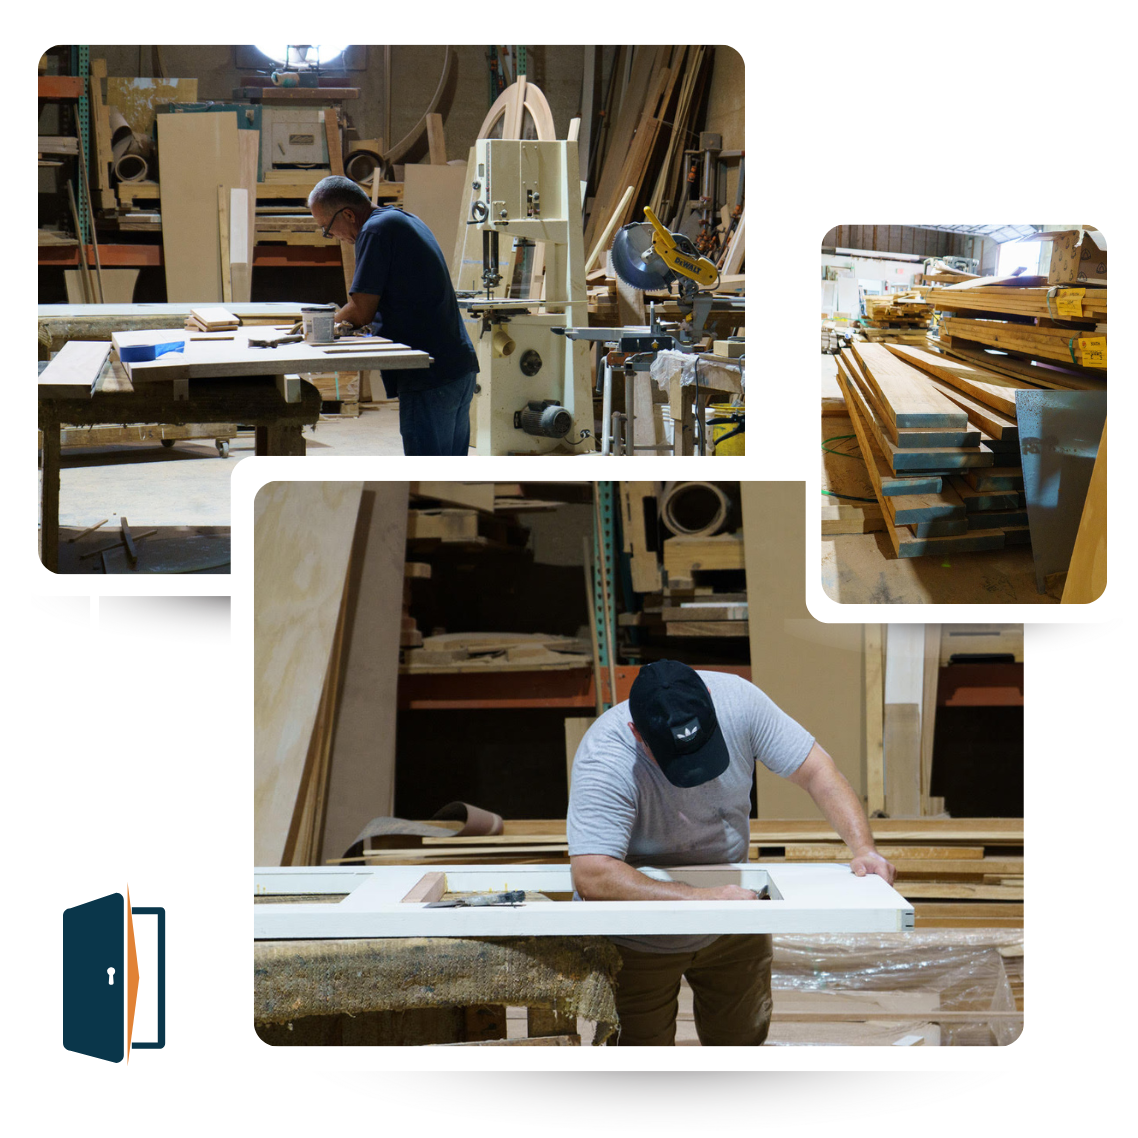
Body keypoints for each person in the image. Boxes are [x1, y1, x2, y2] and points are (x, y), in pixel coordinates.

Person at [566, 659, 896, 1046]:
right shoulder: (606, 757)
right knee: (642, 1063)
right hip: (640, 937)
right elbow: (592, 874)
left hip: (734, 921)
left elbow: (817, 771)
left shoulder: (737, 700)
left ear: (709, 699)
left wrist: (864, 849)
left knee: (741, 1048)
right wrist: (702, 898)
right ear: (638, 733)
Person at [307, 175, 479, 456]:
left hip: (430, 375)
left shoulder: (375, 231)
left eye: (327, 228)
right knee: (448, 474)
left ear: (348, 214)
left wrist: (316, 325)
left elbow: (361, 311)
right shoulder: (401, 219)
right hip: (455, 366)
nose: (331, 235)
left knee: (427, 475)